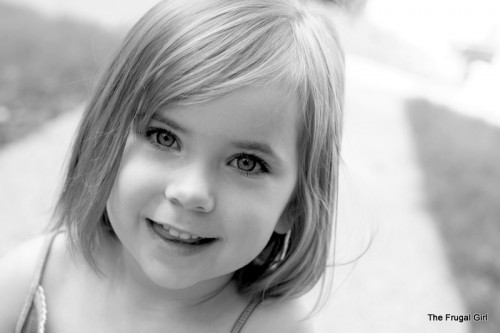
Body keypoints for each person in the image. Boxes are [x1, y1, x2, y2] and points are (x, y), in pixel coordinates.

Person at [0, 0, 344, 331]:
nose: (190, 192)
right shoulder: (31, 279)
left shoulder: (277, 328)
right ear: (103, 141)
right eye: (164, 138)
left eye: (246, 163)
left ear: (295, 204)